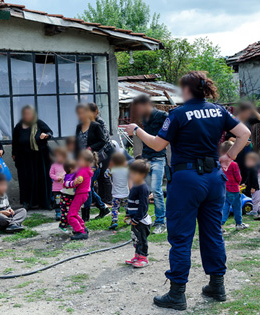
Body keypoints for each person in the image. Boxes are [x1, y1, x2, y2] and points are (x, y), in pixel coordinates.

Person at [121, 71, 250, 310]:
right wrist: (229, 157)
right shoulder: (218, 110)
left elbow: (158, 144)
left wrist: (136, 131)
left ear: (187, 90)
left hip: (187, 179)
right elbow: (245, 133)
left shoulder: (178, 114)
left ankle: (177, 293)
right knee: (213, 233)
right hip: (213, 179)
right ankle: (217, 285)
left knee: (181, 237)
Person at [132, 95, 168, 234]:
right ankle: (145, 218)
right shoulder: (145, 118)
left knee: (157, 190)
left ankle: (160, 222)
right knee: (145, 190)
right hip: (146, 157)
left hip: (159, 158)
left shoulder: (162, 115)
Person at [12, 105, 53, 210]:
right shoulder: (19, 126)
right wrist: (14, 154)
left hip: (40, 157)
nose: (27, 115)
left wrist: (45, 135)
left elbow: (50, 132)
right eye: (25, 113)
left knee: (42, 179)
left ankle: (45, 203)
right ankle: (27, 202)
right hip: (24, 158)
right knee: (26, 180)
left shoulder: (39, 123)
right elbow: (15, 142)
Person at [75, 104, 110, 219]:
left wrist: (90, 148)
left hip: (93, 160)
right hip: (81, 161)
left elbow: (103, 141)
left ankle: (86, 215)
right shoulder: (79, 126)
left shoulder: (96, 125)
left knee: (87, 186)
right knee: (86, 187)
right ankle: (102, 208)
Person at [225, 100, 260, 183]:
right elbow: (228, 138)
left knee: (249, 167)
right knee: (239, 167)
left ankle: (248, 186)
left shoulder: (248, 120)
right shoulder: (234, 121)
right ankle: (239, 184)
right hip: (238, 148)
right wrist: (242, 140)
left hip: (248, 149)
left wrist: (252, 109)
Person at [124, 160, 152, 268]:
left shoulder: (143, 188)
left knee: (142, 239)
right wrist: (128, 214)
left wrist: (136, 219)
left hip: (140, 220)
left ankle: (143, 257)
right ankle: (137, 256)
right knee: (135, 238)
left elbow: (143, 206)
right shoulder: (135, 186)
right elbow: (130, 202)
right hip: (134, 219)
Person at [88, 102, 115, 206]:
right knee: (97, 177)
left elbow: (104, 140)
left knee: (105, 175)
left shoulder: (100, 122)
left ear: (96, 112)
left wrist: (92, 149)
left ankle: (108, 200)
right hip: (95, 153)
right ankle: (100, 200)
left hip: (106, 152)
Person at [65, 150, 96, 241]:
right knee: (74, 212)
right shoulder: (86, 169)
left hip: (81, 194)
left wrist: (67, 183)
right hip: (84, 194)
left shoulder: (82, 171)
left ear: (86, 162)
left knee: (70, 215)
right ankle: (82, 227)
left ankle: (80, 232)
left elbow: (75, 183)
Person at [220, 141, 248, 231]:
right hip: (234, 190)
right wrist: (239, 183)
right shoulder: (233, 164)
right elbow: (238, 178)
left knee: (225, 207)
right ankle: (239, 224)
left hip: (224, 189)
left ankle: (220, 225)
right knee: (237, 207)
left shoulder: (220, 163)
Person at [104, 152, 130, 230]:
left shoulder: (113, 170)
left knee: (115, 208)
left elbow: (105, 175)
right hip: (126, 193)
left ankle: (114, 221)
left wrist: (109, 167)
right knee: (127, 207)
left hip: (116, 194)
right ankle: (129, 219)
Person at [59, 160, 78, 234]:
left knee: (70, 211)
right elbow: (67, 184)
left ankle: (68, 223)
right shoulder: (68, 176)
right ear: (71, 168)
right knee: (65, 212)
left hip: (70, 196)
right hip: (66, 197)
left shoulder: (73, 174)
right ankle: (62, 226)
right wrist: (74, 182)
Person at [49, 147, 67, 220]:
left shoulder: (67, 165)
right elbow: (51, 174)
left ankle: (65, 213)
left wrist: (65, 177)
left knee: (65, 201)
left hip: (65, 187)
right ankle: (58, 213)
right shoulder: (54, 165)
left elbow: (70, 173)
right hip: (56, 188)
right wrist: (56, 178)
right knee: (57, 201)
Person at [244, 152, 260, 218]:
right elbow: (249, 177)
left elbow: (255, 179)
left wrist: (253, 187)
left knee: (255, 200)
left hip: (257, 188)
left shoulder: (254, 169)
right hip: (255, 188)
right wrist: (245, 183)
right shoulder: (251, 168)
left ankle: (254, 212)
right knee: (256, 199)